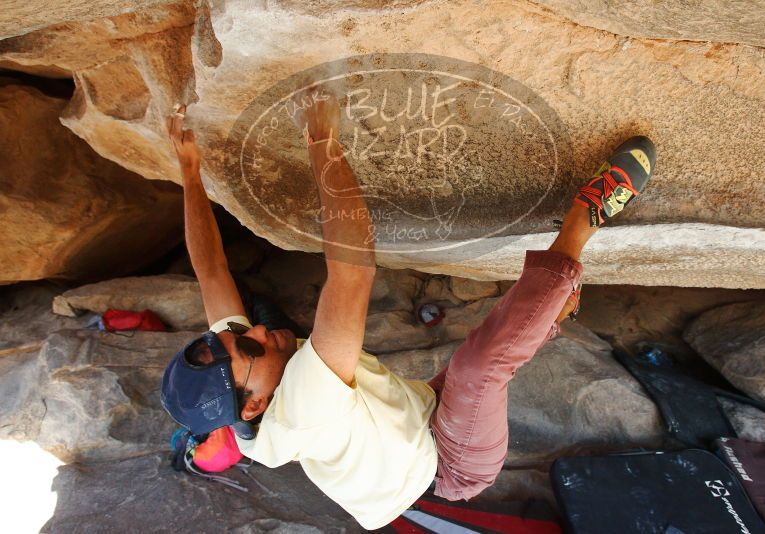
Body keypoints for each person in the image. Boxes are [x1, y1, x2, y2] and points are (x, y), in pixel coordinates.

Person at [161, 92, 655, 530]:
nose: (261, 329)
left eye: (240, 334)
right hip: (450, 465)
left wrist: (187, 170)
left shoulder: (243, 384)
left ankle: (551, 308)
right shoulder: (300, 408)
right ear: (254, 407)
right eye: (251, 344)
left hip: (420, 413)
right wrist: (320, 138)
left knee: (480, 358)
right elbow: (352, 271)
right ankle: (583, 219)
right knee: (478, 367)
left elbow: (210, 270)